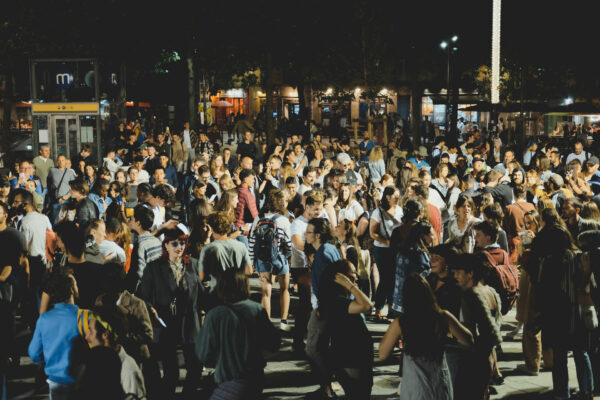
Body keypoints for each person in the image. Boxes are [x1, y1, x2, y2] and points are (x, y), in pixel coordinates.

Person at [525, 224, 594, 399]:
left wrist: (537, 314)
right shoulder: (578, 258)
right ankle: (586, 390)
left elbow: (542, 291)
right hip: (576, 314)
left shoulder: (547, 262)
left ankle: (562, 394)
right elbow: (587, 286)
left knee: (560, 356)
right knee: (580, 353)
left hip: (556, 315)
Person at [379, 274, 474, 400]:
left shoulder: (401, 324)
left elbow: (382, 354)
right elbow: (468, 340)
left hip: (415, 387)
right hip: (439, 385)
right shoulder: (443, 317)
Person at [138, 227, 203, 397]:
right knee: (171, 372)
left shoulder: (193, 264)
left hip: (190, 322)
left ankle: (188, 395)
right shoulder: (154, 267)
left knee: (195, 367)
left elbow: (201, 293)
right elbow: (143, 296)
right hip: (166, 323)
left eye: (182, 243)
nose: (179, 247)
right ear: (166, 245)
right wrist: (150, 309)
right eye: (174, 243)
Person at [196, 268, 280, 399]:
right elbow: (273, 344)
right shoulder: (257, 309)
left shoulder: (215, 315)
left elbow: (203, 353)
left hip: (229, 379)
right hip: (255, 377)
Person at [317, 259, 374, 399]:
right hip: (352, 361)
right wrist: (349, 285)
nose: (356, 276)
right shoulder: (337, 302)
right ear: (341, 278)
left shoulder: (338, 300)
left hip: (354, 361)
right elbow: (367, 306)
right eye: (352, 273)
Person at [450, 253, 503, 399]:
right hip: (486, 357)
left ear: (470, 274)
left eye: (459, 272)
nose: (455, 275)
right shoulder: (490, 292)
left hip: (472, 359)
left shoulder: (470, 295)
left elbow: (470, 332)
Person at [28, 272, 80, 399]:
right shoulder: (86, 317)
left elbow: (34, 353)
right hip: (82, 379)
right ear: (71, 290)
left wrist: (50, 359)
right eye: (75, 284)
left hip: (55, 380)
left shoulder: (44, 319)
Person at [305, 217, 341, 399]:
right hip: (330, 306)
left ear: (318, 235)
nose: (305, 235)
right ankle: (327, 385)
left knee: (313, 347)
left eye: (308, 232)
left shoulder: (322, 254)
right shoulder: (330, 249)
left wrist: (320, 307)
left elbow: (325, 285)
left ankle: (327, 387)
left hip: (324, 307)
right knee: (322, 346)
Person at [248, 189, 293, 330]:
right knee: (284, 289)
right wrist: (287, 256)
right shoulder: (283, 220)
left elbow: (251, 242)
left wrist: (252, 261)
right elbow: (288, 243)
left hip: (262, 259)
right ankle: (283, 322)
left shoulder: (258, 218)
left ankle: (266, 325)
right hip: (279, 258)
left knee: (266, 294)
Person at [83, 309, 146, 398]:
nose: (86, 337)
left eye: (90, 331)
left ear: (106, 335)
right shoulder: (101, 364)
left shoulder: (129, 371)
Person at [370, 186, 403, 320]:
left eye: (399, 195)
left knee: (394, 278)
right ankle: (378, 308)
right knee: (385, 278)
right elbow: (373, 233)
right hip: (382, 249)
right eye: (395, 196)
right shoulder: (378, 212)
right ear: (388, 197)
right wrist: (387, 242)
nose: (398, 198)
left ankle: (391, 308)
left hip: (396, 249)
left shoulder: (399, 210)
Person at [198, 211, 253, 291]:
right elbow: (249, 271)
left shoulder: (208, 249)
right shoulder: (241, 246)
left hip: (218, 290)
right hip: (237, 289)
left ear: (211, 229)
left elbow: (203, 276)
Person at [125, 205, 163, 293]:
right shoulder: (157, 241)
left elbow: (138, 275)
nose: (129, 222)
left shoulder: (140, 244)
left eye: (131, 219)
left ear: (138, 223)